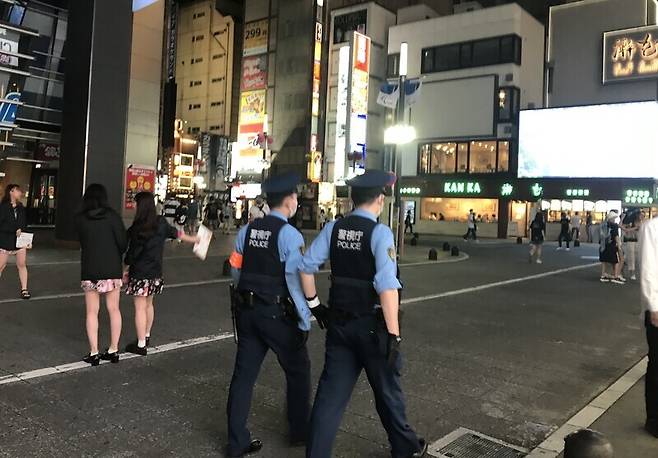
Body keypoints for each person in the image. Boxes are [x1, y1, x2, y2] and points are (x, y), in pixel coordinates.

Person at [299, 169, 427, 458]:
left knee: (329, 397)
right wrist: (394, 335)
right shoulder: (379, 233)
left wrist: (315, 305)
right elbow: (386, 287)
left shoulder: (334, 228)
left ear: (352, 200)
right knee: (387, 391)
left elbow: (306, 267)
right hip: (372, 328)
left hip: (339, 326)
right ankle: (405, 449)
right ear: (380, 199)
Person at [226, 172, 312, 457]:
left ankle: (236, 441)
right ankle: (299, 430)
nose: (297, 201)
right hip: (276, 314)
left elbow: (235, 268)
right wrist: (303, 318)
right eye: (296, 197)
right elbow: (294, 281)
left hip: (247, 312)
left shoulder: (247, 231)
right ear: (289, 200)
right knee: (298, 369)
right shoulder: (290, 235)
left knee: (243, 376)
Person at [124, 192, 199, 356]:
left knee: (139, 308)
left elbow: (131, 252)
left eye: (136, 203)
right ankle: (147, 335)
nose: (134, 206)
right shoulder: (161, 222)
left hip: (139, 274)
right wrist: (195, 240)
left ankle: (141, 344)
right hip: (155, 273)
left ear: (141, 206)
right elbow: (177, 234)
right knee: (149, 304)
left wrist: (126, 268)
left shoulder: (137, 227)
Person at [75, 184, 127, 366]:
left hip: (90, 269)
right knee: (114, 309)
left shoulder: (81, 219)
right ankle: (113, 350)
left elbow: (82, 242)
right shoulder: (112, 216)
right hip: (112, 269)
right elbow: (123, 243)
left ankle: (94, 352)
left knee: (91, 311)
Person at [641, 213, 658, 438]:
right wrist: (653, 306)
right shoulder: (652, 227)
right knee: (657, 366)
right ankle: (654, 419)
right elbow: (648, 270)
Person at [0, 184, 30, 299]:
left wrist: (26, 237)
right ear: (11, 192)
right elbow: (1, 224)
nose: (20, 193)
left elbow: (24, 224)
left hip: (20, 240)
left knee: (22, 264)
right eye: (18, 191)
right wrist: (14, 230)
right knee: (1, 265)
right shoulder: (3, 207)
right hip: (6, 240)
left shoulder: (21, 207)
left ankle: (24, 289)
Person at [599, 211, 624, 284]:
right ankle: (616, 276)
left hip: (603, 245)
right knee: (615, 261)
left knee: (604, 261)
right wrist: (619, 245)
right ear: (612, 218)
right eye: (614, 218)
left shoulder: (603, 225)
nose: (615, 219)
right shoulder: (614, 225)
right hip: (611, 245)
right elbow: (616, 236)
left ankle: (603, 275)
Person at [622, 209, 641, 280]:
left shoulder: (639, 221)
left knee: (636, 258)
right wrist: (634, 228)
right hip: (630, 241)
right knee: (631, 258)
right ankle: (632, 273)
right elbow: (625, 229)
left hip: (637, 241)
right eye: (640, 214)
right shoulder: (629, 222)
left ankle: (630, 271)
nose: (641, 216)